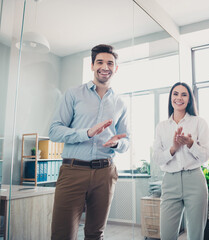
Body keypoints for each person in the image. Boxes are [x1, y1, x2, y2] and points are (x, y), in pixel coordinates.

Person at [49, 44, 130, 240]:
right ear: (92, 65)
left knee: (96, 234)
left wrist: (117, 144)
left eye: (110, 63)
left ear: (116, 68)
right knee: (62, 234)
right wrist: (86, 133)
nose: (105, 67)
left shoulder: (120, 102)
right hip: (73, 171)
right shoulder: (74, 94)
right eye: (100, 62)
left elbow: (126, 140)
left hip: (105, 173)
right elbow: (54, 131)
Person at [153, 82, 209, 240]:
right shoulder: (161, 126)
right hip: (170, 182)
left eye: (184, 94)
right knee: (167, 234)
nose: (179, 97)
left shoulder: (199, 122)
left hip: (194, 180)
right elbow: (157, 158)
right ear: (171, 98)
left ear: (189, 100)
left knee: (196, 234)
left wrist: (191, 144)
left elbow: (205, 156)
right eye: (175, 94)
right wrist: (173, 148)